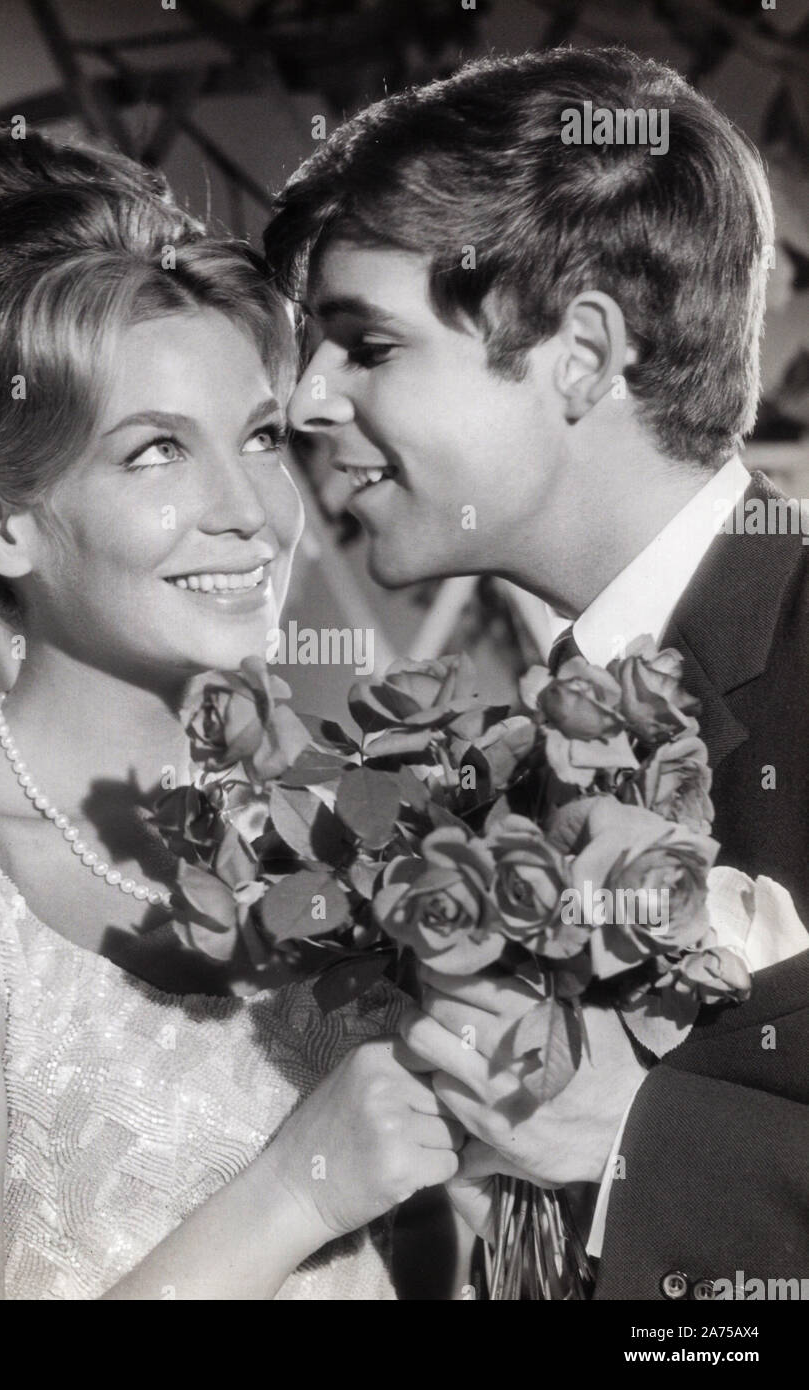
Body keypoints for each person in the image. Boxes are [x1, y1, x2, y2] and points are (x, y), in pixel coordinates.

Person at [0, 128, 463, 1301]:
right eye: (157, 450)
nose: (248, 511)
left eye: (261, 436)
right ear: (2, 524)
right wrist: (295, 1192)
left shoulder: (329, 845)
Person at [265, 46, 809, 1298]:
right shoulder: (501, 754)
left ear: (581, 354)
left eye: (366, 343)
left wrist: (643, 1144)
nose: (305, 400)